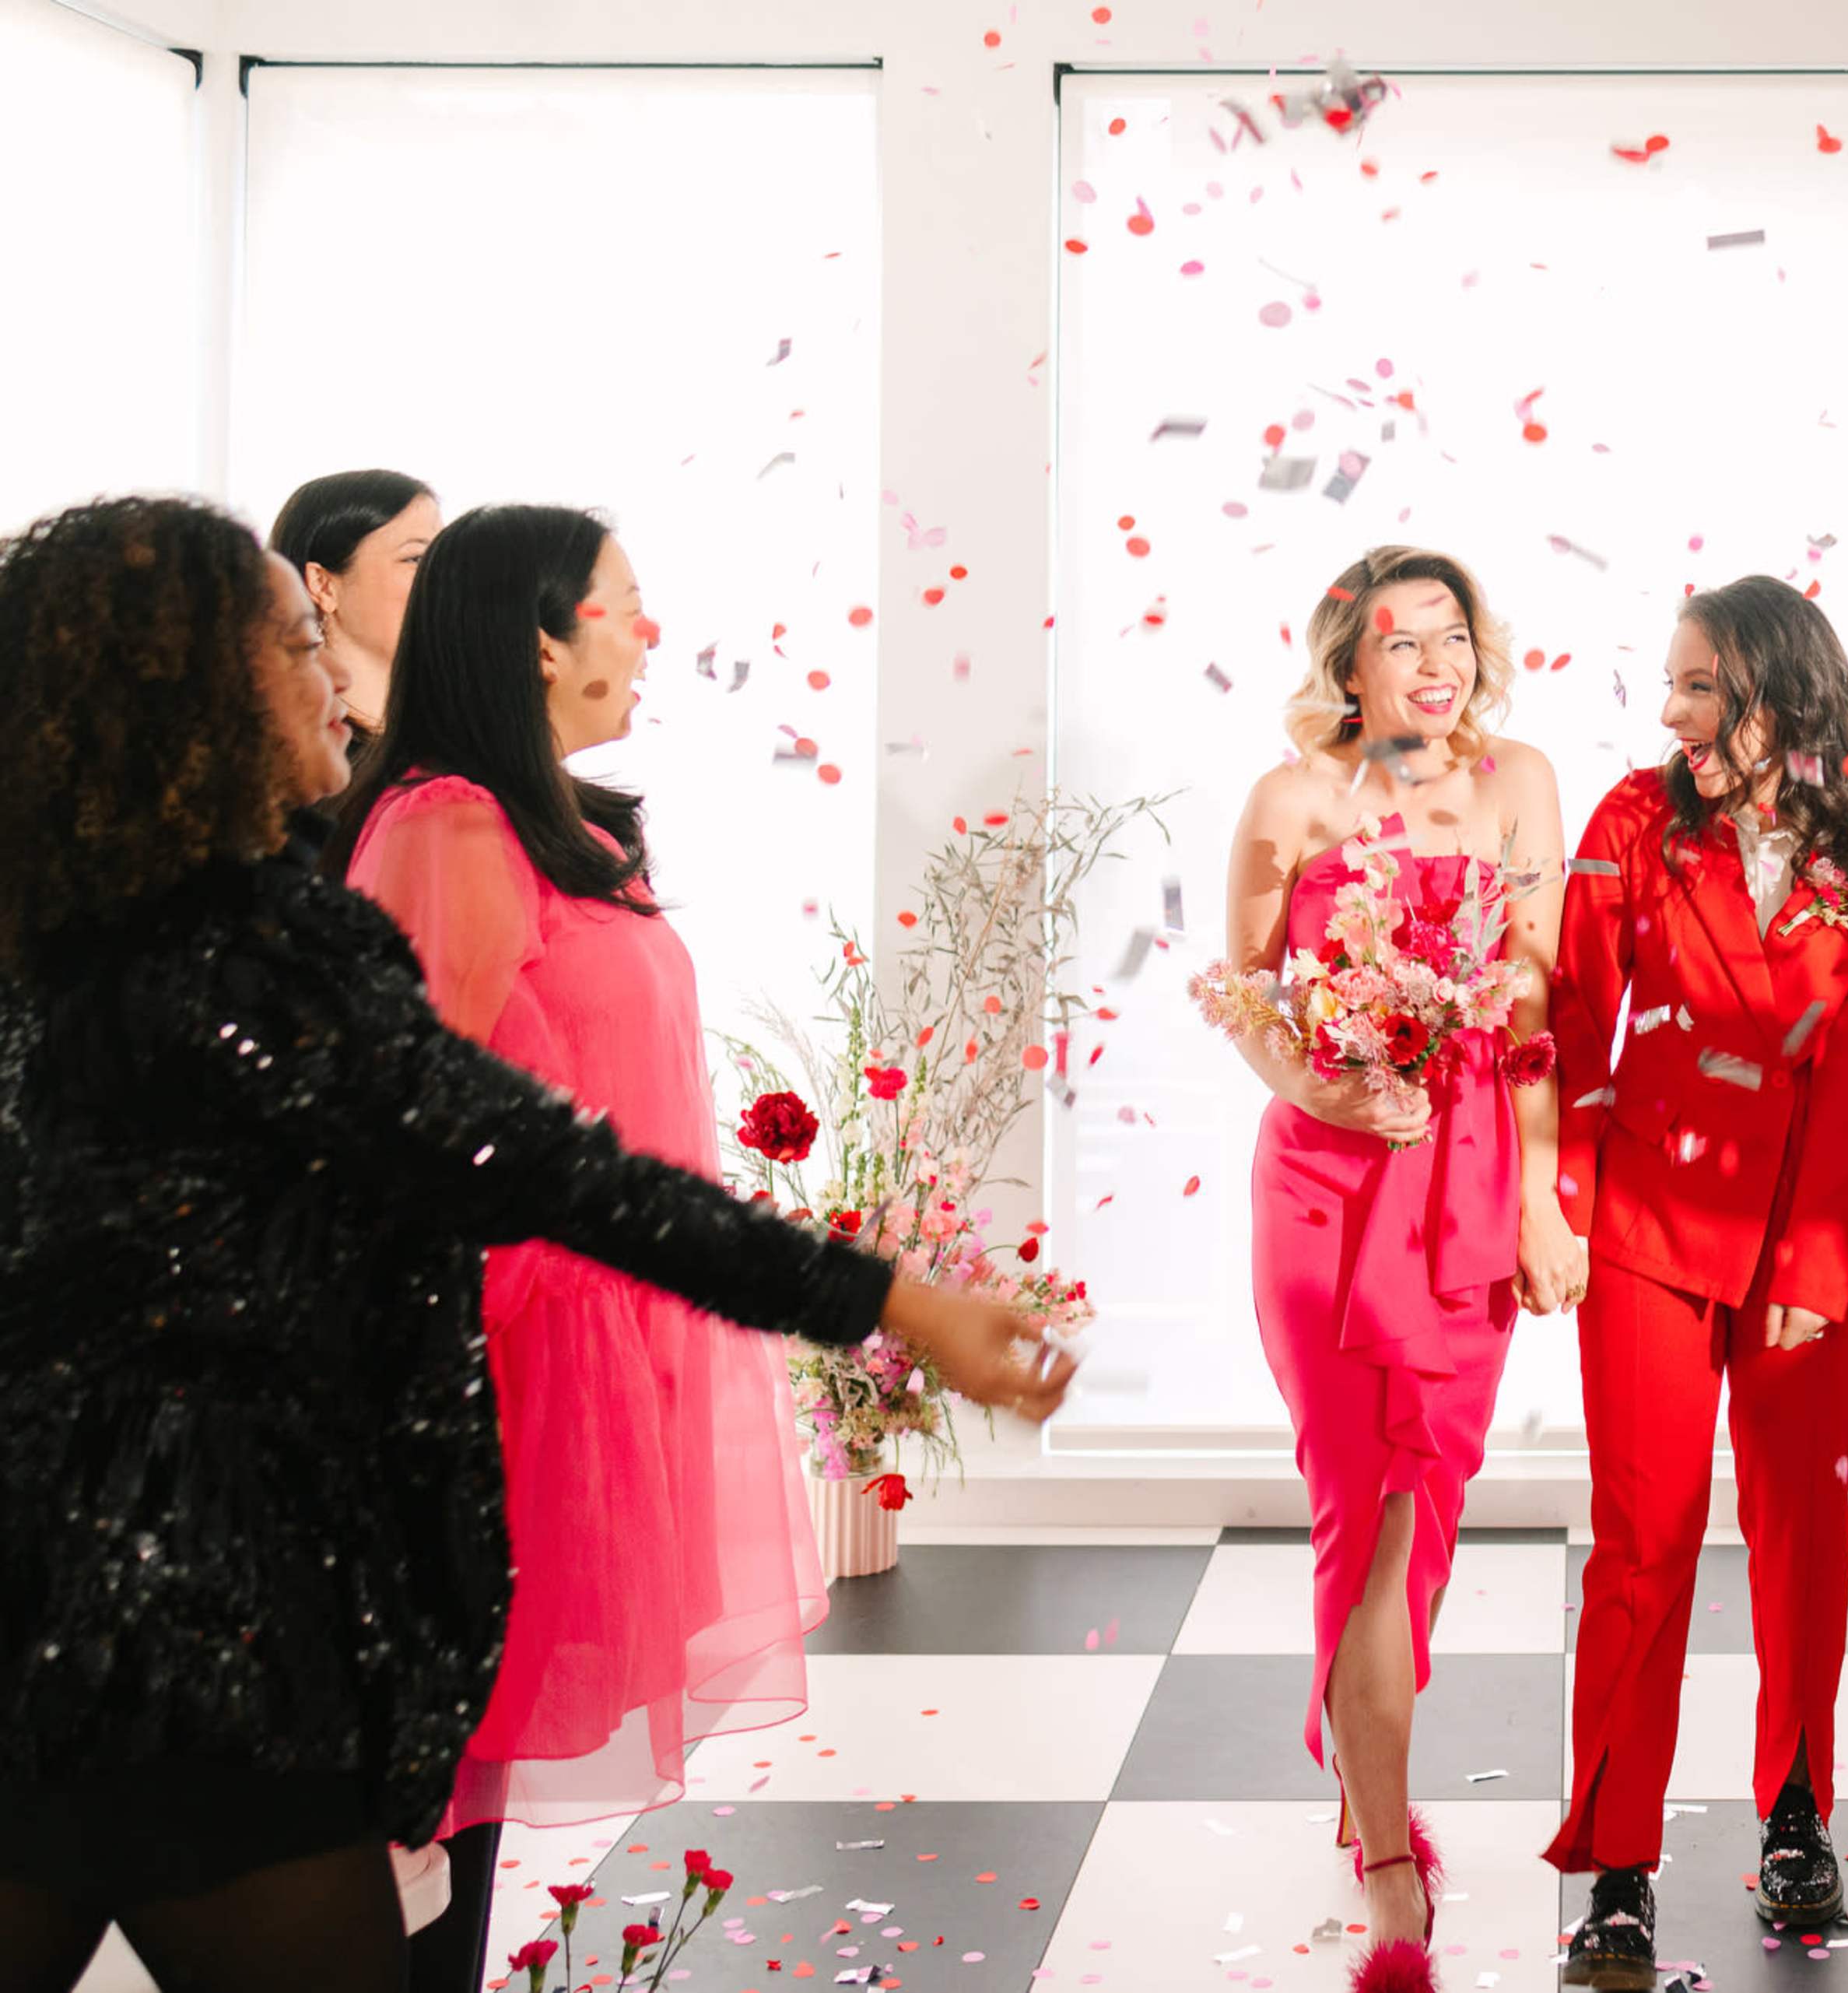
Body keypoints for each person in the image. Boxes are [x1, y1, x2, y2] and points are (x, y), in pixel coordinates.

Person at [0, 495, 1068, 1993]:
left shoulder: (81, 960)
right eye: (301, 642)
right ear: (193, 693)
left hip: (65, 1594)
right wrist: (890, 1300)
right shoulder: (256, 959)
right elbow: (551, 1168)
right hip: (199, 1624)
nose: (334, 680)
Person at [317, 504, 855, 1986]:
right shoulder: (445, 824)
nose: (651, 630)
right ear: (542, 638)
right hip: (502, 1364)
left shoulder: (555, 815)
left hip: (595, 1341)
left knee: (472, 1781)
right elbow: (413, 1125)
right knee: (438, 1773)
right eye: (626, 604)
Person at [1544, 576, 1848, 1988]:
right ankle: (1619, 1863)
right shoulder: (1631, 825)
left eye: (1700, 684)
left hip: (1806, 1240)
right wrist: (1567, 1210)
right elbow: (1577, 1020)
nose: (1673, 712)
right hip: (1645, 1228)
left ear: (1778, 689)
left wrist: (1815, 1261)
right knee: (1642, 1541)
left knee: (1799, 1534)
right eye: (1673, 684)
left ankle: (1794, 1816)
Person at [1211, 546, 1575, 1993]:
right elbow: (1243, 996)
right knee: (1357, 1507)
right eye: (1402, 643)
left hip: (1472, 1175)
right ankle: (1384, 1865)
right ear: (1348, 667)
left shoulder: (1518, 784)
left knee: (1427, 1505)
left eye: (1454, 638)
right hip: (1322, 1182)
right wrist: (1326, 1087)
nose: (1436, 664)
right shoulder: (1290, 800)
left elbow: (1539, 999)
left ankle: (1365, 1755)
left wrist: (1544, 1203)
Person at [268, 468, 439, 766]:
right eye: (416, 559)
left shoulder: (458, 747)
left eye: (444, 556)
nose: (443, 578)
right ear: (322, 584)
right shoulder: (297, 769)